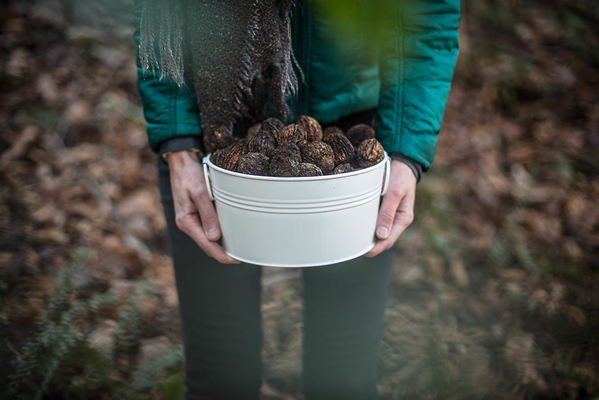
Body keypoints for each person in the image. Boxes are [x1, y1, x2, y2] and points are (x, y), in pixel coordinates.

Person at [133, 0, 460, 398]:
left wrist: (406, 151)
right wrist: (178, 139)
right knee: (219, 379)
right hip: (213, 126)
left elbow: (426, 12)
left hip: (350, 136)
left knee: (343, 381)